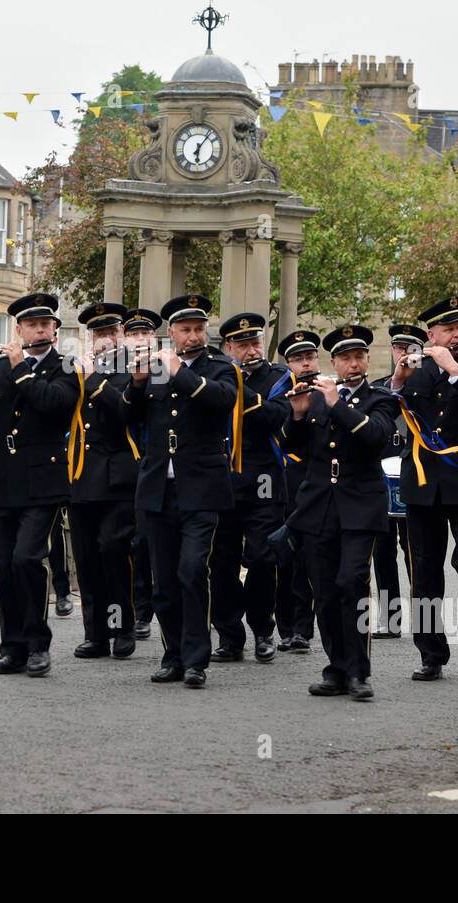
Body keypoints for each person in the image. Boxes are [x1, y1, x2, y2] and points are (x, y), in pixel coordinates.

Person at [0, 293, 82, 679]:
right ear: (19, 330)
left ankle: (37, 645)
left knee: (27, 559)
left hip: (44, 480)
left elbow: (54, 405)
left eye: (46, 325)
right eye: (32, 325)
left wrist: (21, 368)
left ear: (54, 330)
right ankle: (11, 647)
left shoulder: (66, 367)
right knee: (3, 567)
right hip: (4, 479)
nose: (40, 330)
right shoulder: (0, 367)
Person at [124, 294, 240, 689]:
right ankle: (172, 655)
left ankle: (195, 659)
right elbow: (127, 417)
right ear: (170, 332)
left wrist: (180, 372)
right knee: (164, 581)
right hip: (158, 487)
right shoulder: (153, 368)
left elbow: (222, 401)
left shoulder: (221, 367)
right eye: (185, 330)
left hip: (202, 488)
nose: (193, 336)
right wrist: (137, 385)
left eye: (198, 329)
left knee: (193, 570)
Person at [281, 326, 396, 701]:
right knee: (326, 592)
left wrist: (338, 404)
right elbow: (290, 448)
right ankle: (337, 669)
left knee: (352, 582)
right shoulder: (314, 398)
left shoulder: (380, 398)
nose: (353, 363)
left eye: (359, 356)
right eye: (345, 357)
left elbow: (376, 438)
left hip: (360, 505)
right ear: (334, 362)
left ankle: (359, 672)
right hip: (319, 506)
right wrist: (296, 416)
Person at [391, 295, 458, 681]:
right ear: (430, 334)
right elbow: (387, 411)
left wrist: (455, 369)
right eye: (450, 329)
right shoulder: (414, 370)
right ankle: (431, 653)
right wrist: (398, 380)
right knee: (424, 572)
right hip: (422, 483)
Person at [208, 312, 293, 664]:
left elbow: (275, 416)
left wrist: (237, 386)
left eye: (255, 342)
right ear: (229, 347)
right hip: (222, 478)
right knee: (221, 561)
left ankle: (262, 629)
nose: (251, 350)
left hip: (263, 479)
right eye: (242, 345)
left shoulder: (278, 376)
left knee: (262, 556)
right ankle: (229, 634)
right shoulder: (214, 375)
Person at [69, 302, 139, 660]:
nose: (105, 340)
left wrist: (93, 379)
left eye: (111, 332)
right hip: (81, 475)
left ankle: (122, 626)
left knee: (114, 550)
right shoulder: (76, 371)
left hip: (118, 477)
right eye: (98, 334)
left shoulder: (137, 371)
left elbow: (126, 409)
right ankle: (95, 634)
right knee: (86, 558)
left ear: (122, 335)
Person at [370, 324, 425, 639]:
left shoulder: (428, 389)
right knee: (382, 552)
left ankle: (423, 618)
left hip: (414, 478)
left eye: (409, 349)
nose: (403, 354)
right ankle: (390, 620)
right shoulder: (380, 388)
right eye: (398, 349)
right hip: (382, 481)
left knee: (416, 551)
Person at [274, 329, 321, 653]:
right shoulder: (278, 394)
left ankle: (302, 629)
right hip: (279, 482)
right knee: (282, 558)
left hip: (312, 483)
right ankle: (285, 626)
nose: (305, 364)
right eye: (298, 359)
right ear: (288, 364)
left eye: (309, 357)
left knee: (308, 559)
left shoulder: (326, 393)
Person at [122, 307, 162, 640]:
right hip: (125, 465)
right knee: (134, 542)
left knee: (152, 540)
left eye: (145, 334)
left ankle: (155, 608)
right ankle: (139, 609)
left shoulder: (166, 369)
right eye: (133, 334)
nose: (139, 340)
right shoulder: (115, 371)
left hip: (158, 461)